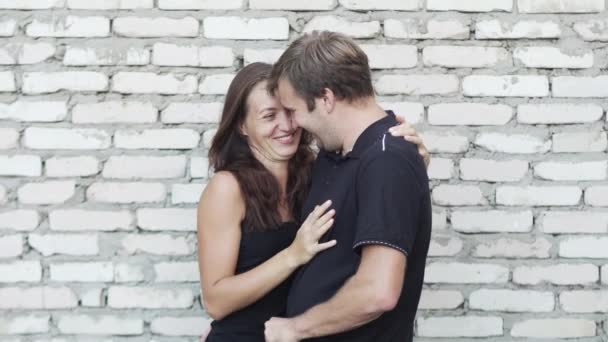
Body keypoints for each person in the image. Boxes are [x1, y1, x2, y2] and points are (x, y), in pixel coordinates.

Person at [197, 61, 429, 341]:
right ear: (241, 125)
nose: (286, 126)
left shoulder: (319, 169)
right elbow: (215, 301)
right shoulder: (227, 188)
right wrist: (292, 255)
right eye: (269, 116)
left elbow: (372, 191)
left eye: (290, 112)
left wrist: (412, 162)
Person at [263, 31, 432, 342]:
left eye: (295, 110)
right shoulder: (338, 153)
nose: (293, 124)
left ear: (326, 99)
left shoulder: (386, 160)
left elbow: (377, 292)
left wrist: (295, 328)